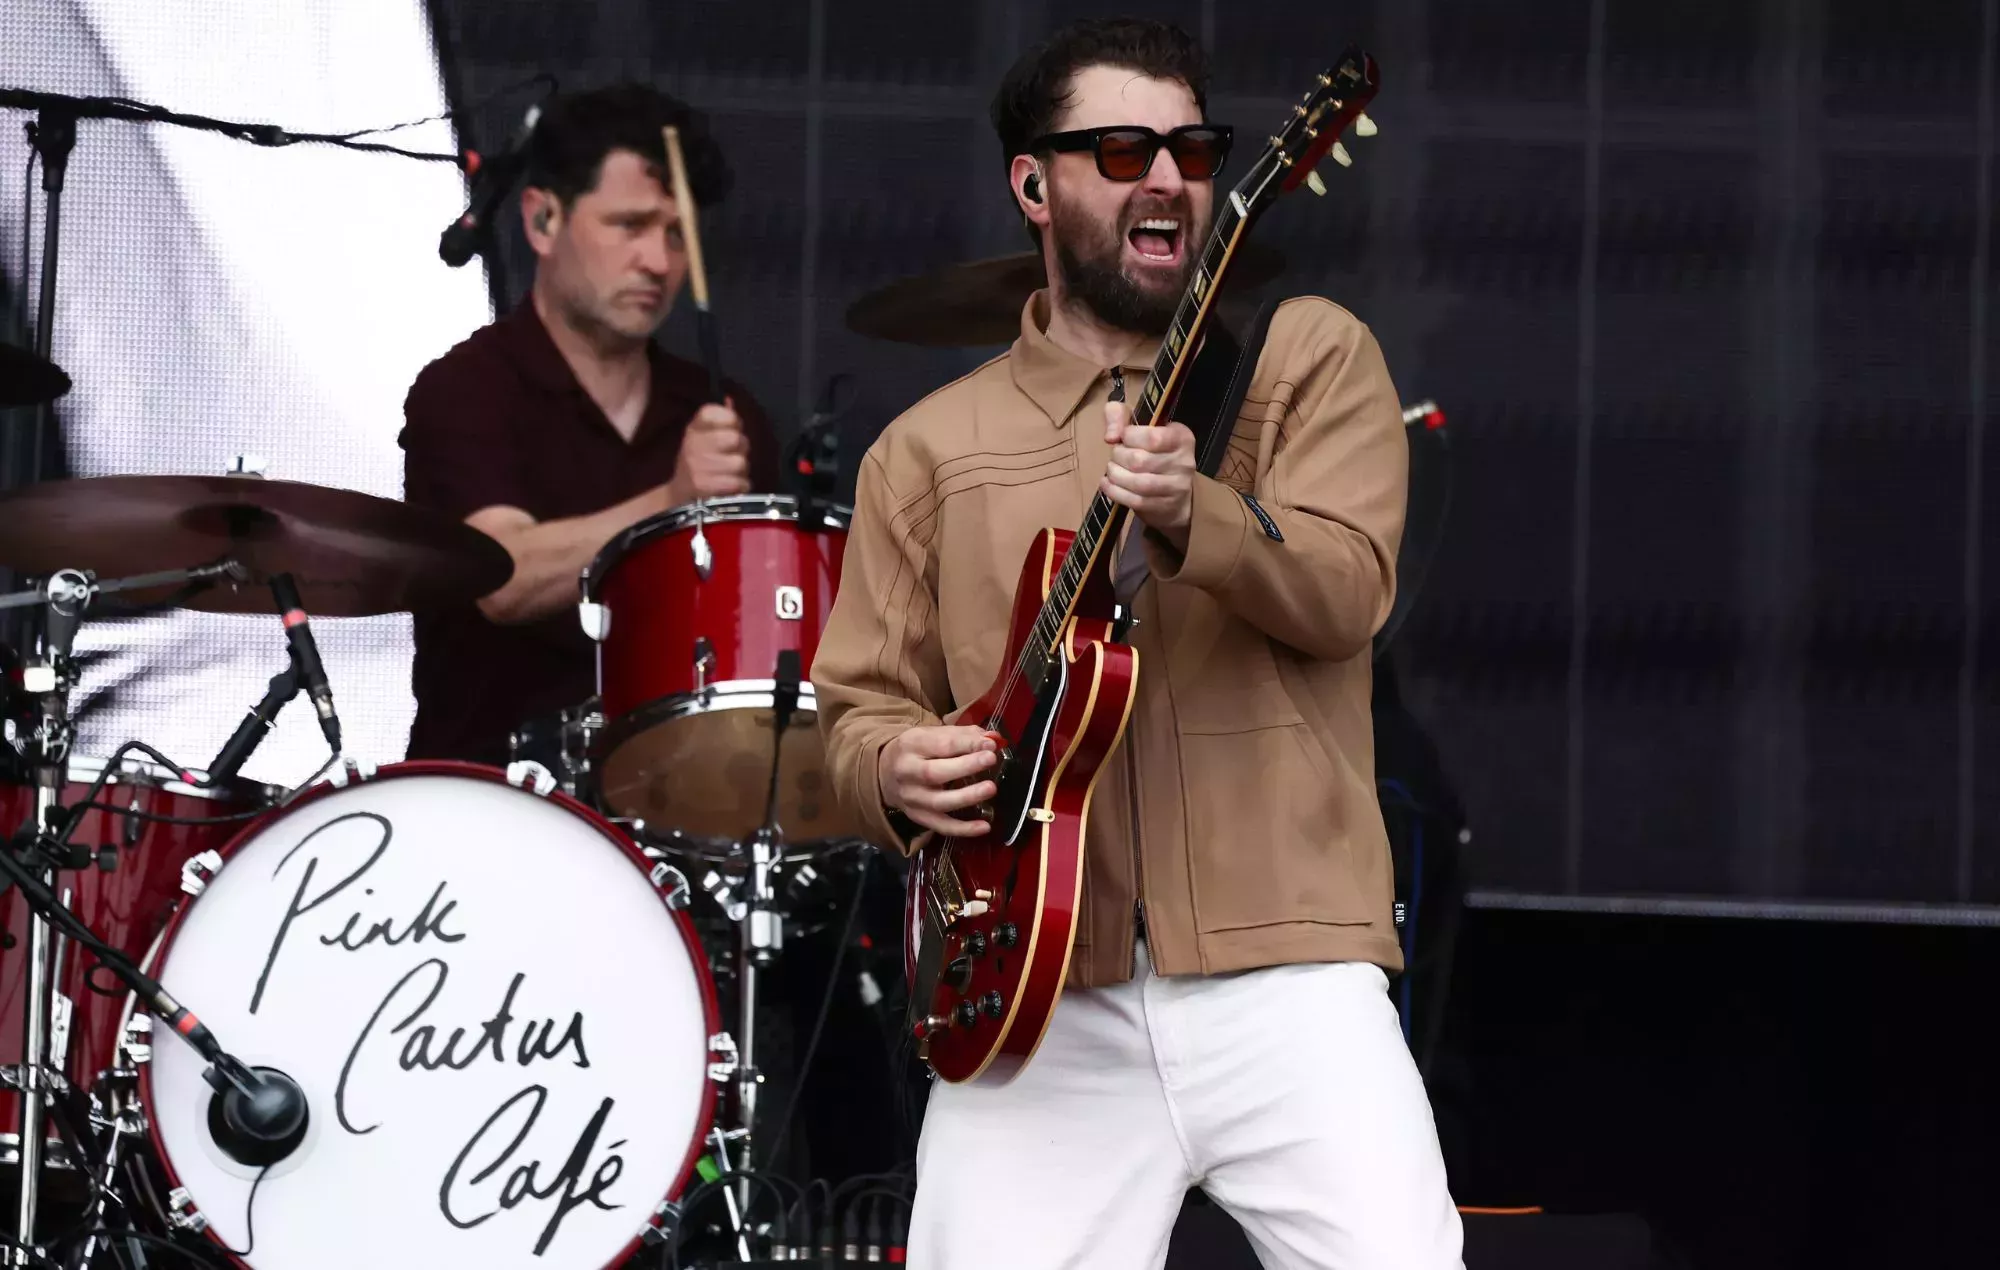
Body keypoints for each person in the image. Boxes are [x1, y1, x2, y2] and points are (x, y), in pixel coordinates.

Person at [811, 18, 1464, 1270]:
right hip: (1040, 993)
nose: (1164, 175)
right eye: (1119, 149)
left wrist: (1195, 516)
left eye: (1189, 148)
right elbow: (856, 713)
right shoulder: (924, 450)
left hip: (1288, 965)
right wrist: (890, 771)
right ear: (1032, 186)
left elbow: (1346, 592)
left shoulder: (1304, 358)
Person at [400, 83, 780, 766]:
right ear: (543, 222)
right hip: (477, 811)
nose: (659, 262)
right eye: (629, 226)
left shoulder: (724, 415)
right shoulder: (466, 388)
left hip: (680, 827)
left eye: (675, 233)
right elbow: (502, 580)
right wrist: (674, 502)